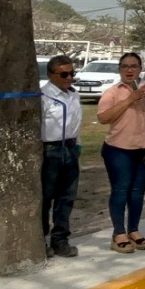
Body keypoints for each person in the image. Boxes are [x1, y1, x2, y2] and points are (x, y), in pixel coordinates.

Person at [97, 53, 145, 254]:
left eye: (134, 66)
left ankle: (134, 230)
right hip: (119, 149)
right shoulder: (112, 92)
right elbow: (103, 118)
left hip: (144, 149)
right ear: (119, 69)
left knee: (137, 192)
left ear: (140, 69)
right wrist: (129, 100)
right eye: (125, 66)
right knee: (120, 190)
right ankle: (119, 233)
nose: (129, 70)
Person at [40, 55, 84, 259]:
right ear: (51, 75)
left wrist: (77, 146)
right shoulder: (43, 97)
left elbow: (75, 123)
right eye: (64, 74)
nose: (69, 78)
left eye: (72, 73)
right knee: (45, 197)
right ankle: (40, 238)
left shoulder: (74, 95)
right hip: (50, 150)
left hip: (71, 149)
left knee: (66, 197)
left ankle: (60, 240)